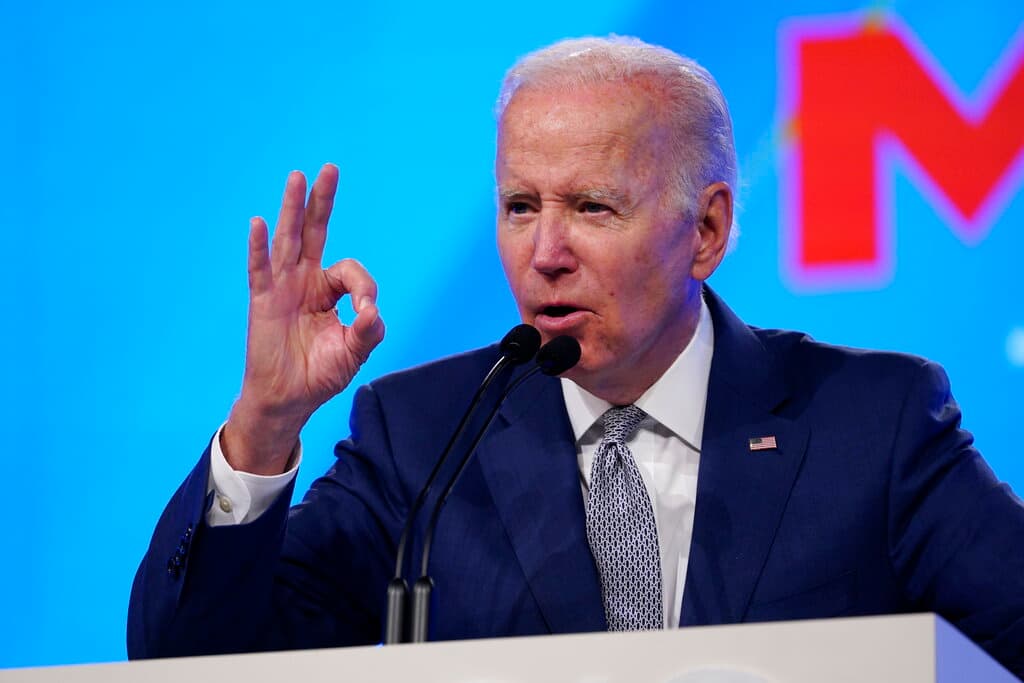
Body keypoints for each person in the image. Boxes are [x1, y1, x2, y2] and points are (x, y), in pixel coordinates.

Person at [128, 37, 1024, 676]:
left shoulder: (873, 420)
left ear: (705, 230)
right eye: (521, 205)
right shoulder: (427, 437)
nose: (544, 251)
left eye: (592, 207)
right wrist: (265, 424)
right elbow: (194, 665)